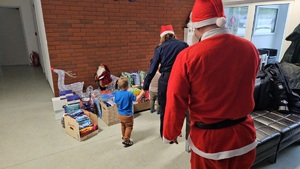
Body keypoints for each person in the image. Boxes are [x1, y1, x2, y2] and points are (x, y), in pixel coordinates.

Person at [162, 0, 260, 168]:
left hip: (211, 143)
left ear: (196, 27)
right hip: (245, 137)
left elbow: (176, 99)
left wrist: (171, 132)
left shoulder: (188, 56)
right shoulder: (250, 48)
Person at [138, 25, 188, 137]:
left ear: (162, 37)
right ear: (173, 34)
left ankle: (165, 134)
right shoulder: (183, 45)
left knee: (164, 108)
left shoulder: (160, 48)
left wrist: (144, 88)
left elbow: (152, 70)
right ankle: (176, 131)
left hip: (165, 80)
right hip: (180, 79)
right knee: (179, 107)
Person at [114, 77, 142, 147]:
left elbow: (116, 104)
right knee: (129, 127)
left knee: (123, 125)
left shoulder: (117, 94)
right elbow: (136, 99)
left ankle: (124, 136)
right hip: (128, 115)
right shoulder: (129, 94)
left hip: (120, 114)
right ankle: (126, 140)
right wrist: (142, 93)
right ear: (127, 86)